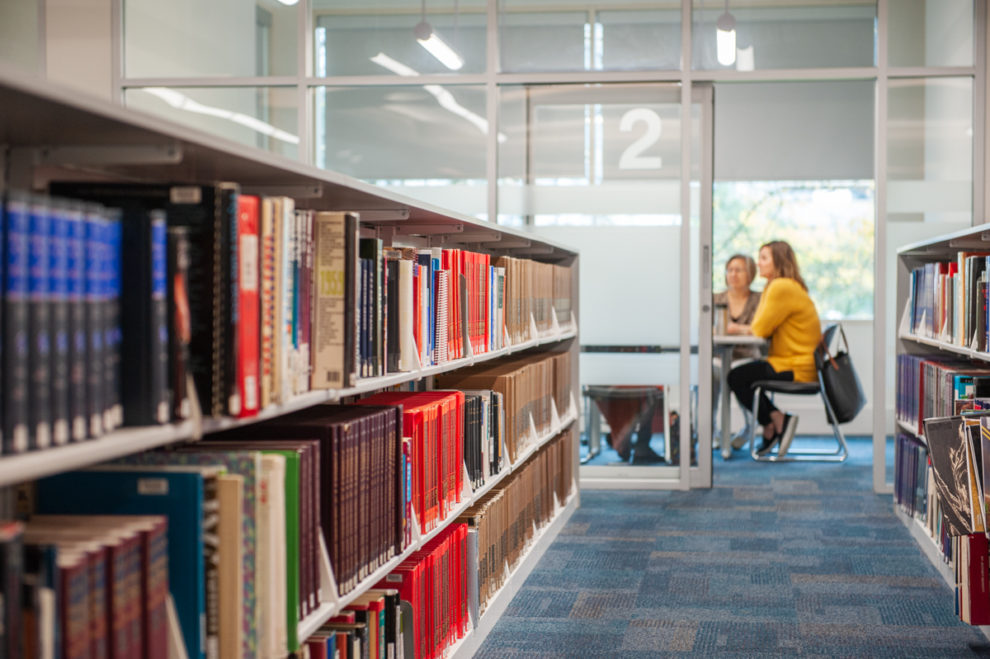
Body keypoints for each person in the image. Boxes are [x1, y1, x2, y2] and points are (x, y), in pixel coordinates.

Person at [727, 241, 821, 457]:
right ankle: (772, 424)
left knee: (736, 377)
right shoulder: (780, 286)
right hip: (792, 361)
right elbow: (762, 327)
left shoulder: (781, 287)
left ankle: (776, 420)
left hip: (796, 365)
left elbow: (759, 328)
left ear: (778, 261)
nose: (757, 263)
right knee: (740, 375)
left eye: (763, 258)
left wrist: (735, 329)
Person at [712, 254, 762, 448]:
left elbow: (762, 328)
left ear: (750, 274)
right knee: (709, 372)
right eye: (730, 270)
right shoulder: (716, 298)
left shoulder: (760, 300)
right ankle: (710, 431)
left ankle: (750, 427)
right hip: (717, 357)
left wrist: (737, 329)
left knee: (740, 375)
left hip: (746, 356)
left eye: (738, 270)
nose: (733, 274)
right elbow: (702, 327)